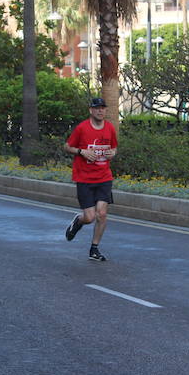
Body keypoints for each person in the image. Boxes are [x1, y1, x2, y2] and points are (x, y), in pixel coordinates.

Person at [63, 97, 118, 261]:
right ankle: (78, 221)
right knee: (90, 217)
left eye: (103, 108)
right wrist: (81, 152)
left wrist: (113, 153)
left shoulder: (109, 128)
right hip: (84, 178)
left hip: (104, 177)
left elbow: (114, 147)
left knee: (102, 214)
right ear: (91, 110)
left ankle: (94, 249)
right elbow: (67, 146)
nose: (100, 110)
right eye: (97, 108)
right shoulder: (82, 128)